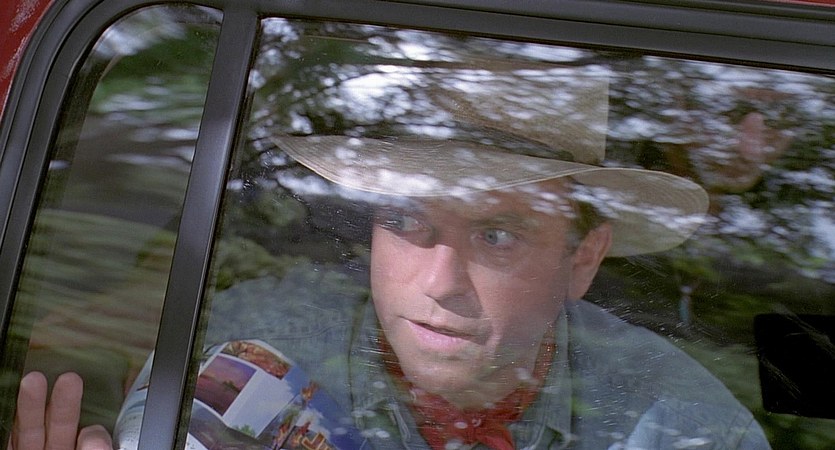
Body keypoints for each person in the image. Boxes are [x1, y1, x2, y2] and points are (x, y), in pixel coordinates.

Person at [10, 67, 771, 449]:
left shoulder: (684, 427)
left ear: (582, 261)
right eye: (406, 221)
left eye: (497, 236)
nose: (439, 284)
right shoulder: (252, 345)